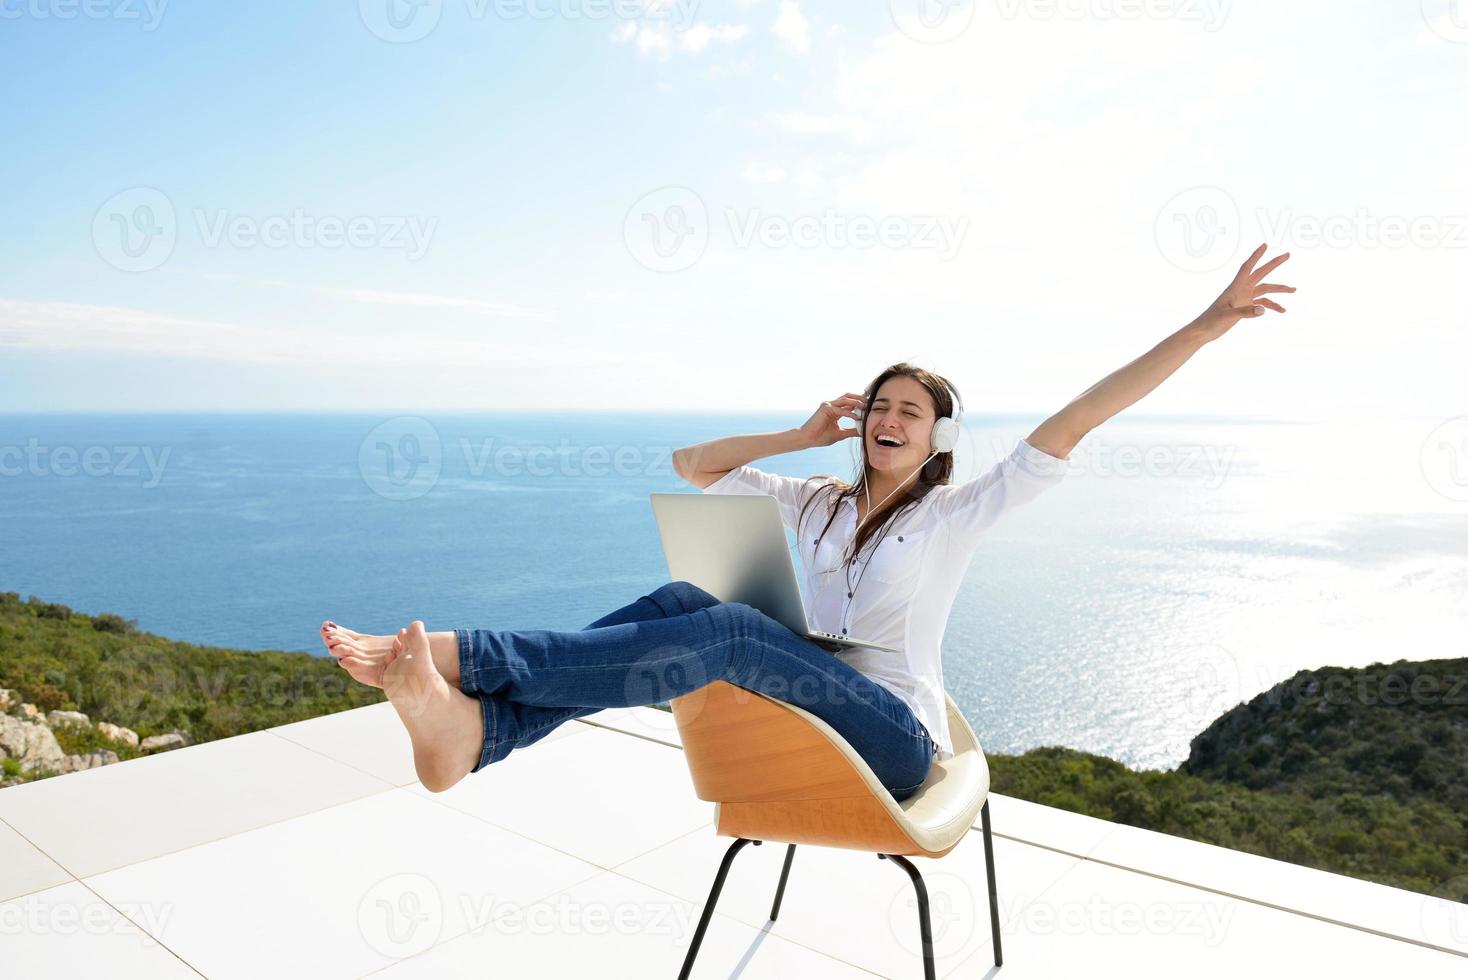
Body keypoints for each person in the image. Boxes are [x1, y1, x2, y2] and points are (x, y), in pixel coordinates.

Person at [321, 243, 1294, 798]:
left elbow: (1081, 414)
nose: (887, 418)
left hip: (896, 742)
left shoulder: (956, 512)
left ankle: (458, 657)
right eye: (879, 404)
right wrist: (798, 431)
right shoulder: (817, 502)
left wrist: (1205, 325)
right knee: (684, 596)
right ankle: (479, 735)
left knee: (737, 629)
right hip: (817, 703)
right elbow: (691, 466)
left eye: (909, 411)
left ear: (935, 437)